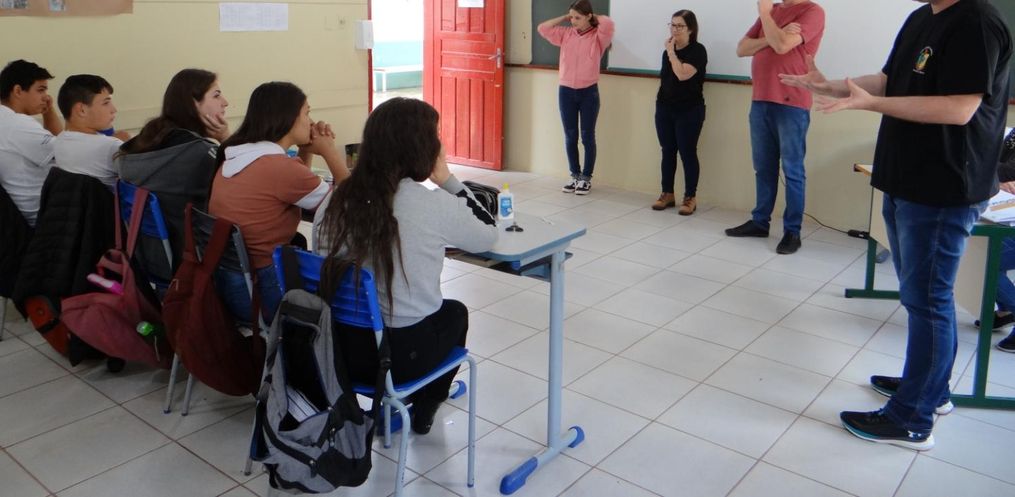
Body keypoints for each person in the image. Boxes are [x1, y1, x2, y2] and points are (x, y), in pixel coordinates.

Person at [781, 0, 1012, 450]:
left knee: (929, 301)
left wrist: (873, 105)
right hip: (906, 178)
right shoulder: (922, 17)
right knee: (919, 298)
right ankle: (929, 390)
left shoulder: (978, 22)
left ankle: (912, 420)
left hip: (944, 187)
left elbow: (960, 108)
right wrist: (830, 86)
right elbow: (889, 80)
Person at [314, 97, 498, 434]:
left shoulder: (336, 197)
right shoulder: (427, 202)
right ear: (422, 147)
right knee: (455, 313)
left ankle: (413, 402)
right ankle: (425, 408)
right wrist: (448, 179)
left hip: (338, 351)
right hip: (398, 360)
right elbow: (487, 234)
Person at [209, 81, 349, 322]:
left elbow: (294, 186)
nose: (311, 122)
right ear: (289, 118)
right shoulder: (279, 168)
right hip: (264, 291)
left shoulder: (238, 154)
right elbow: (352, 204)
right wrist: (329, 151)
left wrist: (306, 150)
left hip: (232, 284)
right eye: (307, 113)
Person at [725, 0, 825, 254]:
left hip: (792, 104)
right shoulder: (774, 11)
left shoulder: (812, 11)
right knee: (763, 168)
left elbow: (782, 46)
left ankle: (792, 231)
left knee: (793, 171)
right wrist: (773, 34)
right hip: (761, 100)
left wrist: (765, 16)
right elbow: (742, 48)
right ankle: (760, 222)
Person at [116, 68, 230, 280]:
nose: (225, 102)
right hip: (193, 259)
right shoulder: (199, 153)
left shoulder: (143, 144)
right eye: (216, 95)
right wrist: (226, 140)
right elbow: (242, 186)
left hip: (151, 258)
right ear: (193, 104)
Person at [537, 0, 615, 195]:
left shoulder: (598, 37)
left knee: (587, 136)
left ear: (589, 16)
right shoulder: (566, 34)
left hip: (589, 92)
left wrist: (591, 16)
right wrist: (565, 16)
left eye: (577, 18)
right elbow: (542, 28)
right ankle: (575, 175)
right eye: (571, 17)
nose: (573, 21)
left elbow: (608, 23)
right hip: (566, 91)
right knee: (570, 135)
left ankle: (586, 178)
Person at [652, 9, 707, 215]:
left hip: (689, 110)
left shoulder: (697, 50)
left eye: (680, 26)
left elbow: (682, 74)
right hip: (665, 107)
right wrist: (670, 52)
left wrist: (672, 53)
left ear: (690, 29)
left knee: (687, 152)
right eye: (672, 25)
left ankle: (690, 197)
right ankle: (667, 193)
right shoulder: (667, 52)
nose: (675, 30)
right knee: (667, 150)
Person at [0, 59, 62, 226]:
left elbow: (59, 142)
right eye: (40, 90)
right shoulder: (17, 124)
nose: (46, 97)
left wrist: (48, 111)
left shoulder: (5, 119)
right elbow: (68, 154)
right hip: (43, 217)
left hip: (19, 217)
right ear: (18, 90)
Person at [52, 74, 129, 189]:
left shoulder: (60, 140)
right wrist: (127, 147)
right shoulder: (111, 147)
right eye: (106, 103)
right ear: (82, 110)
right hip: (108, 201)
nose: (114, 109)